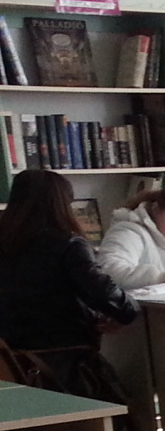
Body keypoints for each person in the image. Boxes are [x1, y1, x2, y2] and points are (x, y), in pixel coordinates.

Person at [0, 169, 139, 398]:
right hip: (65, 360)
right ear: (62, 204)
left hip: (10, 363)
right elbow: (100, 290)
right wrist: (129, 311)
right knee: (120, 404)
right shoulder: (68, 244)